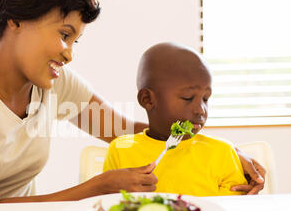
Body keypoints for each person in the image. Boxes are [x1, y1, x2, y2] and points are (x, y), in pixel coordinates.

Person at [0, 0, 264, 204]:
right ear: (16, 19)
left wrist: (225, 151)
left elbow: (132, 132)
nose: (69, 53)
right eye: (64, 35)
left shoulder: (54, 84)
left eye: (75, 40)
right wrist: (99, 186)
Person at [103, 42, 264, 196]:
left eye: (206, 99)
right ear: (147, 100)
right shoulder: (120, 150)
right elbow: (110, 206)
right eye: (188, 98)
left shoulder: (223, 153)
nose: (201, 109)